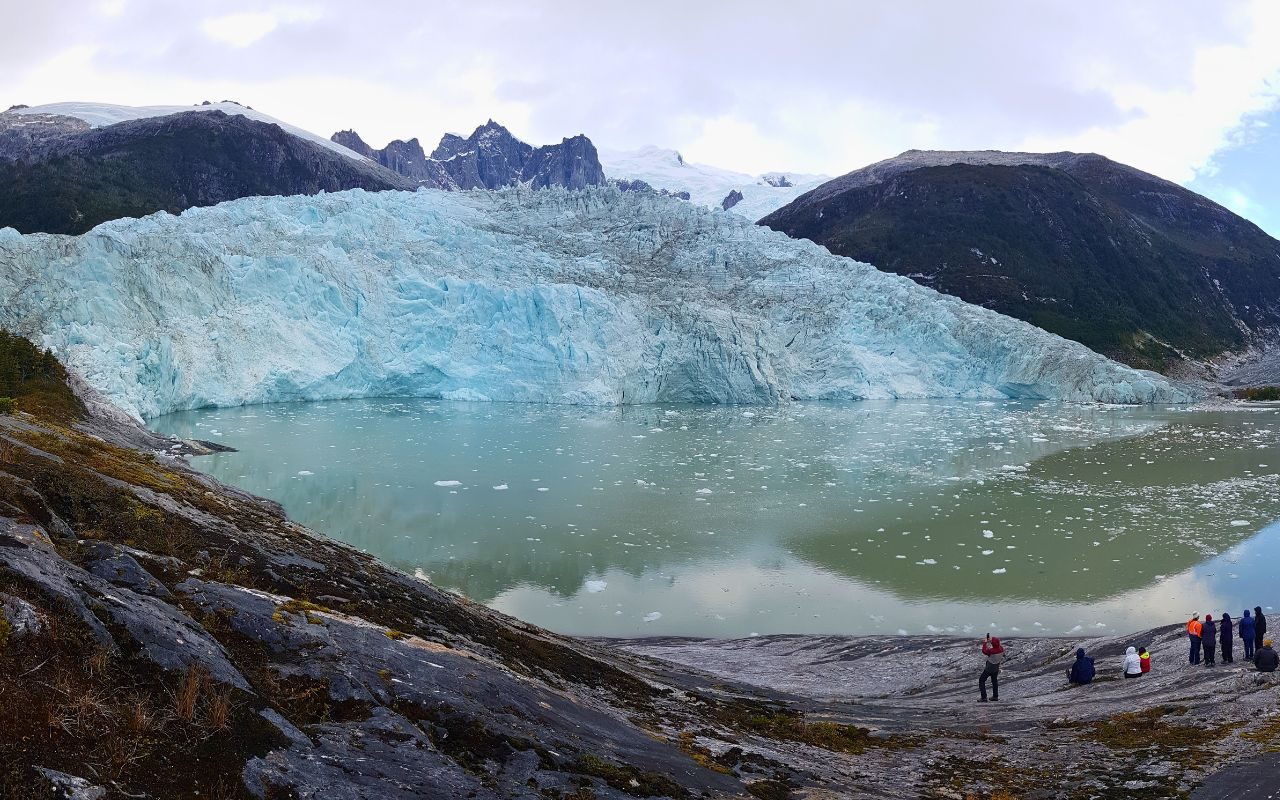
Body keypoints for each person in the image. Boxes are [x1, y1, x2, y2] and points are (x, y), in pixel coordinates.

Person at [979, 634, 1004, 701]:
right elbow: (996, 645)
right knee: (994, 681)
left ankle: (984, 697)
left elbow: (984, 651)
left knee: (981, 680)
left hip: (989, 668)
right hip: (996, 667)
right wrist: (990, 641)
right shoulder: (1001, 648)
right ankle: (995, 696)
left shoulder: (992, 651)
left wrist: (985, 643)